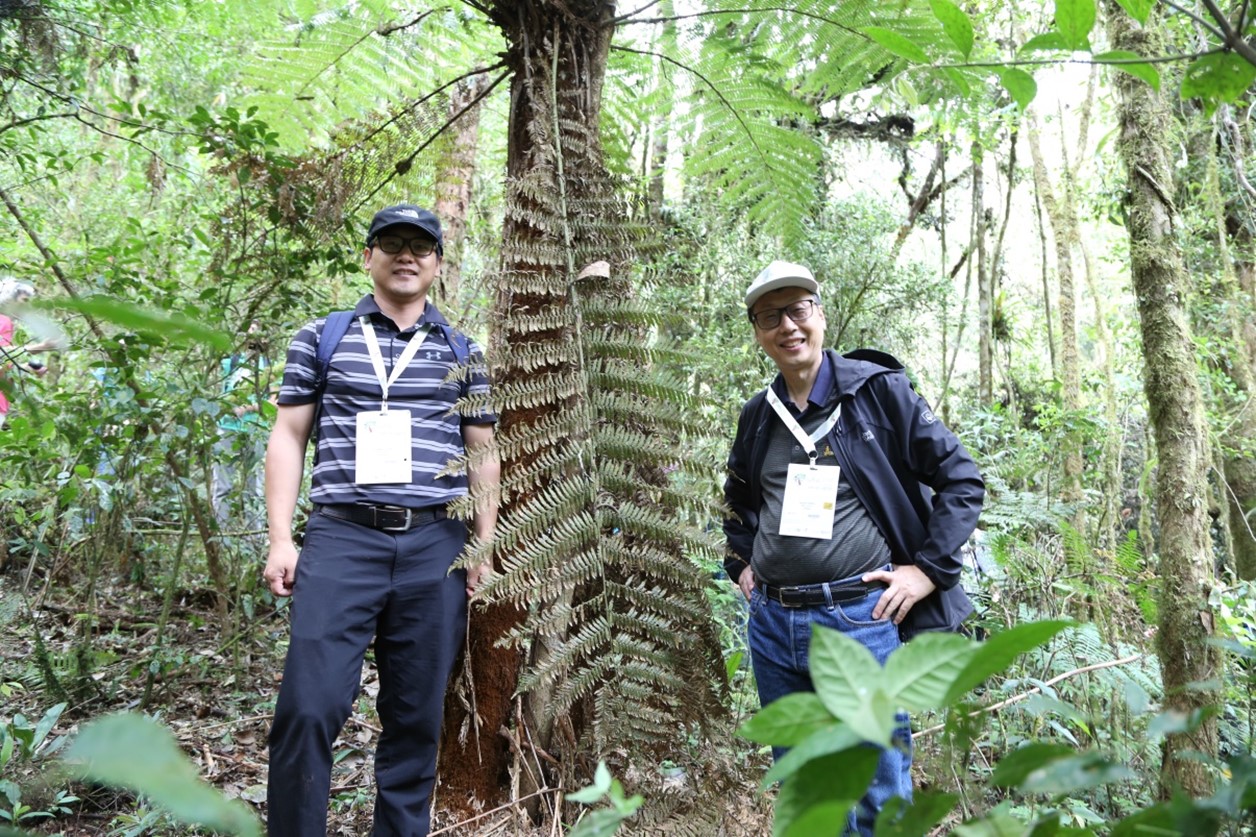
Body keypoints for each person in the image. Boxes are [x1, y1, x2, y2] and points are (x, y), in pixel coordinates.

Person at [723, 260, 984, 836]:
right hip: (773, 625)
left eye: (798, 310)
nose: (788, 326)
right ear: (758, 332)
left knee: (874, 785)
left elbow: (962, 479)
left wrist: (928, 572)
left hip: (858, 620)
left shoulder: (876, 392)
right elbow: (737, 498)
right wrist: (740, 562)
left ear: (820, 314)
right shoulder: (759, 416)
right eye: (771, 317)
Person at [262, 204, 499, 837]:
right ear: (367, 257)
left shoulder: (463, 351)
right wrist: (281, 537)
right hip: (342, 537)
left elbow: (482, 450)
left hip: (433, 545)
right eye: (390, 242)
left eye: (421, 246)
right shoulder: (322, 337)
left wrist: (483, 545)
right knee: (308, 708)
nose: (406, 254)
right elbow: (288, 435)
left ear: (438, 265)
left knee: (416, 719)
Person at [212, 320, 274, 536]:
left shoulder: (270, 367)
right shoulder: (231, 363)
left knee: (253, 488)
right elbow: (220, 395)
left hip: (255, 430)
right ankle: (220, 537)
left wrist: (247, 408)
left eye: (258, 332)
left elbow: (274, 403)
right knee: (223, 486)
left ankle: (254, 538)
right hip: (227, 428)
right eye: (250, 332)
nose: (253, 338)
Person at [0, 280, 58, 428]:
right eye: (24, 300)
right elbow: (4, 355)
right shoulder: (4, 321)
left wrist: (28, 367)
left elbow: (4, 367)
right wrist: (42, 347)